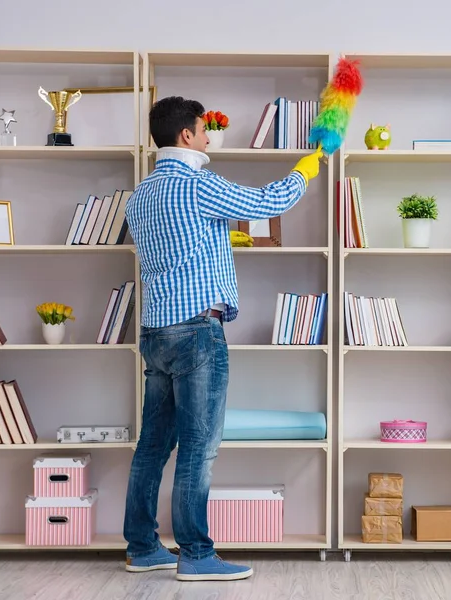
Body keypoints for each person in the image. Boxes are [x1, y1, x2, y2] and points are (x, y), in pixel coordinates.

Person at [123, 96, 323, 582]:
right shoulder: (196, 185)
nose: (209, 136)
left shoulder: (140, 195)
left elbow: (180, 247)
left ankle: (143, 548)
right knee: (198, 447)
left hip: (155, 331)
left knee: (153, 445)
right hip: (196, 333)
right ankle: (195, 554)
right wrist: (304, 171)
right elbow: (269, 202)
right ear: (187, 136)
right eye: (203, 129)